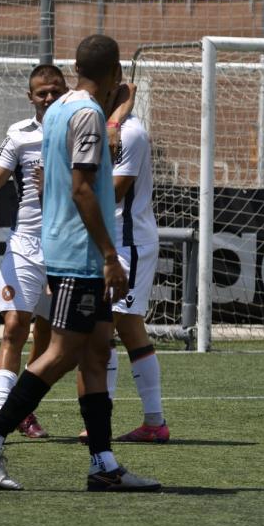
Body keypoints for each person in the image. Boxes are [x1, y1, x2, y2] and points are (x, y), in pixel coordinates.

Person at [0, 34, 161, 492]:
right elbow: (82, 189)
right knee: (63, 353)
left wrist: (118, 112)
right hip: (80, 254)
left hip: (67, 247)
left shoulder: (60, 110)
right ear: (114, 73)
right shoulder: (86, 114)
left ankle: (103, 465)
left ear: (75, 70)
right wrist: (109, 255)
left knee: (97, 353)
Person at [0, 64, 65, 438]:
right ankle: (0, 414)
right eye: (42, 93)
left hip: (65, 247)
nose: (49, 98)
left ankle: (23, 410)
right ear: (31, 97)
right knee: (14, 326)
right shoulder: (19, 135)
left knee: (46, 336)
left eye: (55, 91)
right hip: (25, 245)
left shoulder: (79, 130)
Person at [79, 97, 170, 442]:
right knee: (125, 328)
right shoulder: (100, 126)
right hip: (110, 240)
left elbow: (115, 192)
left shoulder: (130, 133)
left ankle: (105, 422)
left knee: (108, 327)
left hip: (128, 243)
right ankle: (152, 423)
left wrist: (74, 188)